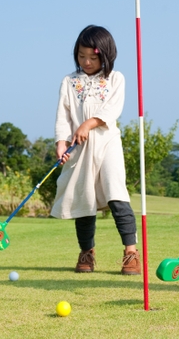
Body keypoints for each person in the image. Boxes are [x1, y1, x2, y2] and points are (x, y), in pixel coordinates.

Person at [52, 24, 140, 275]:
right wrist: (61, 142)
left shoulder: (116, 78)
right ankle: (87, 253)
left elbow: (112, 111)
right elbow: (63, 116)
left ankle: (131, 253)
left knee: (117, 194)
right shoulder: (69, 82)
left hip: (108, 143)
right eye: (81, 56)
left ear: (106, 55)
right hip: (79, 148)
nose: (87, 61)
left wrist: (88, 123)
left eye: (92, 57)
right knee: (84, 198)